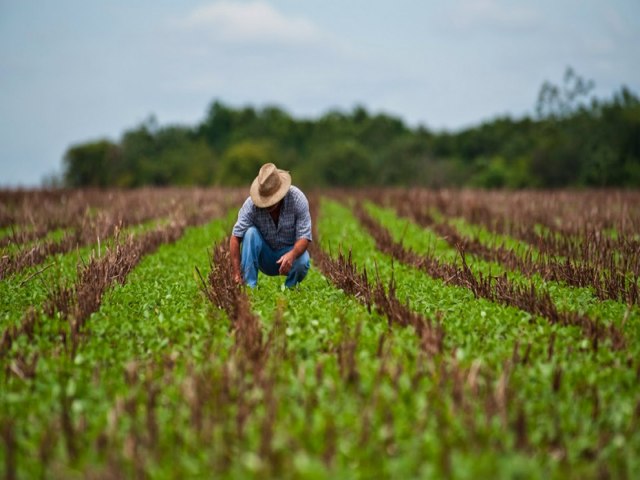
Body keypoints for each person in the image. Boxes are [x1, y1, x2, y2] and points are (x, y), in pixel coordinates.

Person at [230, 163, 312, 288]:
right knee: (250, 233)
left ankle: (290, 290)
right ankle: (249, 288)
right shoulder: (251, 205)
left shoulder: (297, 199)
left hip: (289, 254)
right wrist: (236, 273)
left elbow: (304, 237)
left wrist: (292, 254)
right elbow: (235, 238)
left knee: (303, 260)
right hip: (265, 256)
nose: (268, 205)